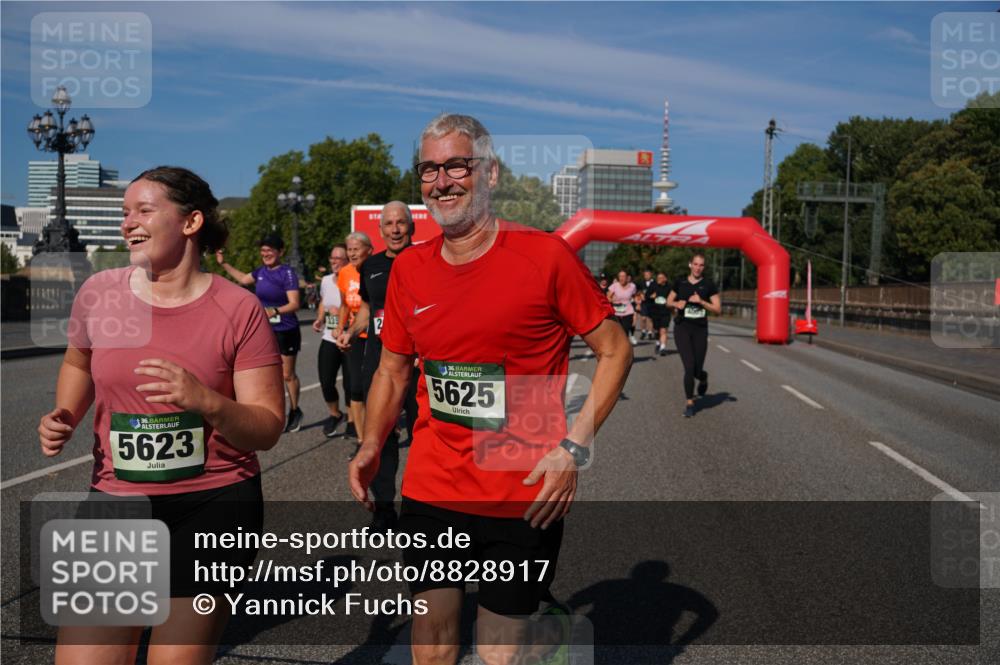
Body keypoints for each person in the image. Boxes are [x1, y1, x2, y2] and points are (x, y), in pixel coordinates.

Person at [348, 113, 632, 665]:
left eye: (457, 165)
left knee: (502, 655)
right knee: (432, 648)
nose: (441, 181)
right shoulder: (410, 271)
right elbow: (392, 371)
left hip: (521, 490)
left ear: (491, 174)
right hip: (433, 485)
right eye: (429, 169)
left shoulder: (544, 257)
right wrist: (370, 444)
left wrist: (573, 449)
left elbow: (615, 349)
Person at [38, 166, 285, 664]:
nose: (129, 222)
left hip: (213, 504)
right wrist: (65, 412)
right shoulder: (101, 293)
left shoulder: (238, 308)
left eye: (144, 210)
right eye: (124, 213)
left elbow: (267, 427)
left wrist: (205, 401)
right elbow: (77, 360)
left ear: (191, 222)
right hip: (117, 500)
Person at [337, 201, 418, 532]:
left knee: (425, 438)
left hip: (418, 366)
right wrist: (351, 331)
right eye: (389, 224)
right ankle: (385, 509)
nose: (396, 229)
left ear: (411, 227)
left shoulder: (427, 260)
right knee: (381, 438)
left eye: (401, 223)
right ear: (381, 230)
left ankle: (422, 508)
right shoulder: (369, 266)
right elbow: (369, 310)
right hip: (380, 364)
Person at [217, 233, 304, 432]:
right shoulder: (261, 272)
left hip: (286, 329)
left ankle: (295, 410)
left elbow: (295, 303)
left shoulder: (287, 273)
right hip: (266, 329)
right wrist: (224, 264)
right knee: (268, 373)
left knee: (287, 374)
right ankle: (274, 413)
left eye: (269, 250)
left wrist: (275, 310)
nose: (265, 253)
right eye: (263, 250)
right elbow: (242, 279)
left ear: (280, 252)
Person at [666, 253, 722, 417]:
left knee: (697, 369)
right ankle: (690, 402)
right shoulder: (680, 282)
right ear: (690, 264)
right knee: (689, 367)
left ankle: (703, 378)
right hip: (682, 328)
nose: (698, 268)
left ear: (704, 267)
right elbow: (668, 302)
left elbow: (718, 309)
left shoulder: (708, 285)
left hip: (700, 330)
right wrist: (677, 303)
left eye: (701, 265)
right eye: (695, 264)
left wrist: (702, 302)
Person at [335, 232, 372, 442]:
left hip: (376, 335)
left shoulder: (374, 270)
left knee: (375, 386)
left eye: (356, 249)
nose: (352, 253)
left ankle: (385, 428)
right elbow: (344, 305)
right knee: (355, 387)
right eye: (349, 249)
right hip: (355, 336)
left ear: (369, 250)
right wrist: (341, 329)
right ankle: (361, 439)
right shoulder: (345, 273)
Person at [313, 243, 350, 438]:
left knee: (351, 385)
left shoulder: (353, 279)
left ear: (346, 261)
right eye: (332, 258)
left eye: (339, 259)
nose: (334, 262)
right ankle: (335, 414)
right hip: (329, 337)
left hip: (349, 338)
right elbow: (323, 302)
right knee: (326, 381)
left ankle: (353, 422)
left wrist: (343, 314)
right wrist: (320, 319)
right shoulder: (327, 280)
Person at [608, 270, 638, 346]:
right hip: (616, 312)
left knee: (625, 332)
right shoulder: (614, 286)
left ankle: (626, 353)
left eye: (623, 276)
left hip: (628, 312)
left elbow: (635, 296)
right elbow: (608, 297)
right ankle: (618, 350)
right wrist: (613, 300)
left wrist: (638, 303)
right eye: (620, 276)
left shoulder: (632, 286)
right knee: (617, 332)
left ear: (627, 277)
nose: (621, 278)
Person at [647, 271, 673, 356]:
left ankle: (663, 348)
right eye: (658, 278)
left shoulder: (669, 287)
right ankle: (658, 343)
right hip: (655, 312)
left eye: (661, 278)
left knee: (663, 330)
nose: (659, 280)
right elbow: (646, 296)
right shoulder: (653, 286)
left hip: (665, 312)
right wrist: (651, 296)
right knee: (657, 330)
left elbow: (674, 298)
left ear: (665, 279)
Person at [638, 268, 655, 339]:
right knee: (643, 318)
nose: (646, 276)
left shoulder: (654, 283)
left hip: (651, 303)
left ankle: (650, 332)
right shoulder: (641, 283)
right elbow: (639, 291)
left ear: (651, 275)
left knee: (650, 318)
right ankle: (643, 331)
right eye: (645, 275)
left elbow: (656, 291)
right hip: (644, 302)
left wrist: (654, 295)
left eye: (648, 275)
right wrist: (641, 295)